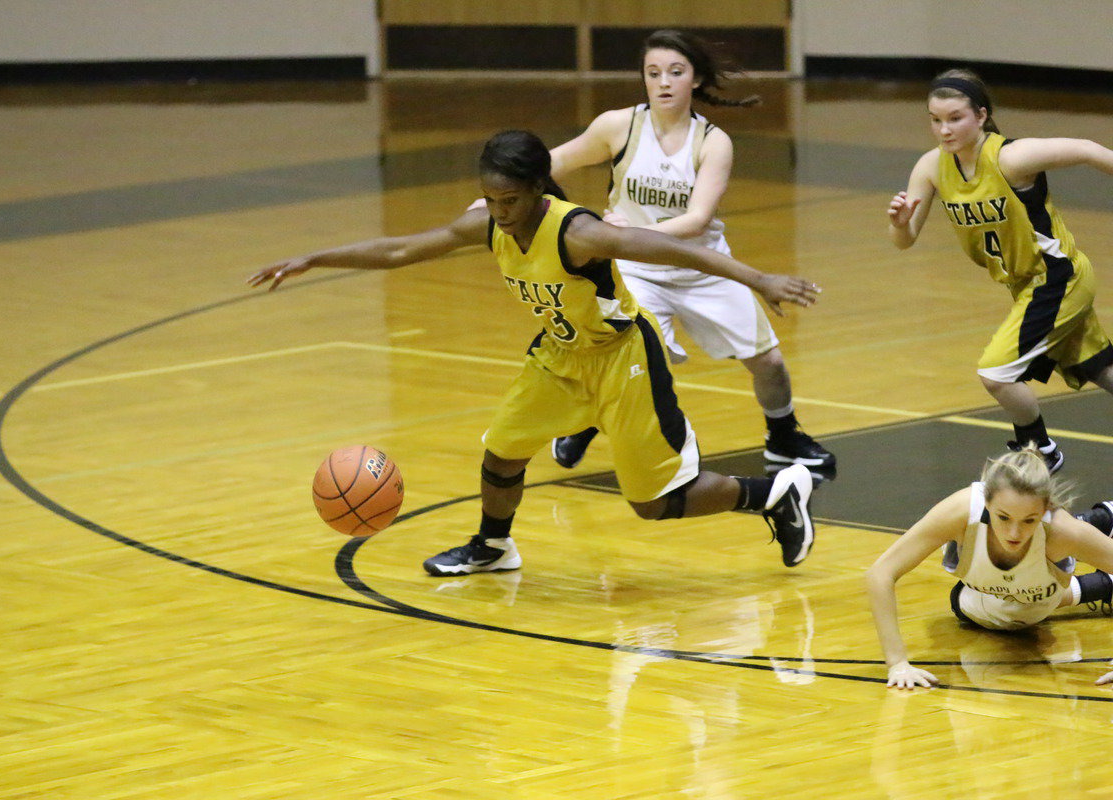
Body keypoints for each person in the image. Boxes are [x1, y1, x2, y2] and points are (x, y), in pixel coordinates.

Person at [248, 129, 823, 573]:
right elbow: (400, 250)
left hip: (623, 358)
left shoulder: (577, 233)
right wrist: (313, 258)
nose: (499, 211)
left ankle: (774, 494)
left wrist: (758, 279)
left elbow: (671, 250)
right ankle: (493, 546)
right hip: (560, 357)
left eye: (510, 199)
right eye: (490, 199)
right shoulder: (489, 224)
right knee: (502, 452)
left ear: (538, 188)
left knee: (653, 503)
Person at [546, 29, 834, 472]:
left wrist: (626, 233)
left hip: (702, 266)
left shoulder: (713, 142)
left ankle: (783, 435)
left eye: (675, 72)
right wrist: (504, 188)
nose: (663, 82)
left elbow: (697, 220)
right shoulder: (618, 126)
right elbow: (554, 163)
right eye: (653, 73)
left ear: (695, 79)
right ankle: (585, 422)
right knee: (639, 363)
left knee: (770, 362)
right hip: (637, 271)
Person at [887, 69, 1113, 473]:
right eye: (935, 119)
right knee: (1095, 365)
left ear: (981, 115)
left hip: (1057, 277)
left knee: (996, 373)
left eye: (955, 118)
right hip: (1024, 285)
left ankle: (1039, 450)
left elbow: (1086, 148)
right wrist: (900, 223)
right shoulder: (932, 166)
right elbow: (903, 241)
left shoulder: (1010, 157)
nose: (944, 129)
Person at [865, 447, 1113, 690]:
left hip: (1037, 597)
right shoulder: (960, 512)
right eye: (1003, 517)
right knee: (975, 605)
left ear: (1045, 510)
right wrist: (897, 664)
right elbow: (881, 573)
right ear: (986, 502)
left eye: (1029, 520)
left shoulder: (1062, 532)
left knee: (1000, 610)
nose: (1014, 533)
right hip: (992, 581)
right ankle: (1103, 527)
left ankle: (1101, 537)